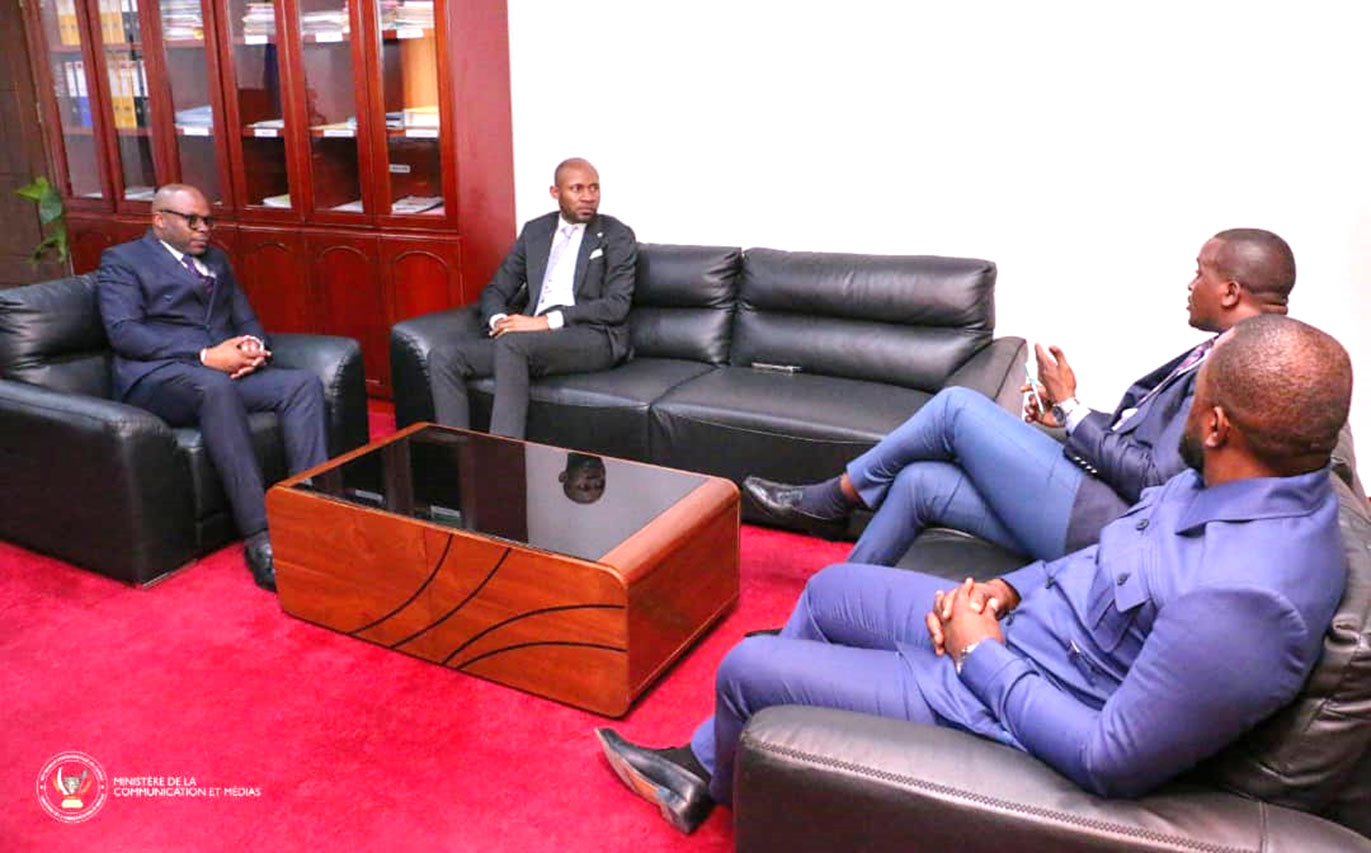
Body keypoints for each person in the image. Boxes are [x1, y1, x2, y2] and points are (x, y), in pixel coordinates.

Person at [596, 314, 1353, 833]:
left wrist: (978, 653)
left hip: (1009, 697)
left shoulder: (1249, 598)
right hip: (1016, 626)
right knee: (827, 592)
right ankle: (724, 763)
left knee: (745, 667)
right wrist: (1010, 587)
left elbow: (1111, 759)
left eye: (1196, 401)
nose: (1184, 415)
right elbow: (1111, 550)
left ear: (1217, 426)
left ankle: (723, 783)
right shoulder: (1227, 478)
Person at [745, 228, 1297, 565]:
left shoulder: (1246, 364)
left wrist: (1074, 412)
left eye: (1199, 274)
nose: (1190, 285)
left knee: (956, 408)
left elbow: (1155, 478)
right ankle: (823, 615)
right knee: (918, 482)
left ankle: (833, 498)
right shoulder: (1236, 347)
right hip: (1099, 501)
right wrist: (1068, 414)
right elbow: (1150, 437)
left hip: (1108, 526)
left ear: (1230, 290)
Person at [97, 184, 327, 591]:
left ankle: (310, 512)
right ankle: (260, 537)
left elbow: (245, 318)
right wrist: (205, 355)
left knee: (302, 384)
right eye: (192, 221)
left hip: (218, 375)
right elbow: (125, 333)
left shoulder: (217, 260)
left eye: (208, 220)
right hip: (157, 379)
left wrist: (252, 347)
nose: (203, 229)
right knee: (213, 386)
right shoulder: (123, 261)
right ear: (159, 220)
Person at [427, 158, 637, 438]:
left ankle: (504, 453)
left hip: (593, 335)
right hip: (529, 339)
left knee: (513, 346)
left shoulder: (616, 235)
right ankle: (456, 453)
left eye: (594, 188)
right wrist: (500, 321)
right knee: (444, 357)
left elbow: (616, 305)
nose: (588, 197)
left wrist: (545, 322)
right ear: (555, 192)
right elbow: (496, 290)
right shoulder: (535, 231)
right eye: (577, 189)